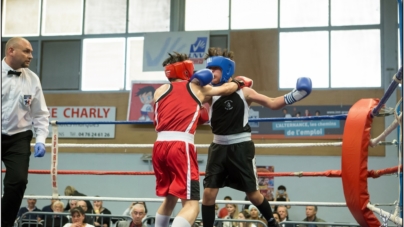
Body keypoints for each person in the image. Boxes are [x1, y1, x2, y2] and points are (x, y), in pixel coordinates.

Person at [201, 48, 312, 227]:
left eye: (216, 69)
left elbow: (273, 103)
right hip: (218, 147)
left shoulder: (244, 92)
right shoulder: (209, 93)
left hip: (241, 147)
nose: (211, 72)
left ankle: (271, 222)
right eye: (209, 68)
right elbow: (193, 99)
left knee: (253, 194)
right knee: (208, 194)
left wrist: (297, 94)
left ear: (226, 69)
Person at [152, 52, 243, 227]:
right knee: (192, 204)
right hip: (180, 147)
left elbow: (175, 109)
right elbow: (226, 90)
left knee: (170, 198)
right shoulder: (197, 89)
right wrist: (239, 82)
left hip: (159, 147)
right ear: (186, 70)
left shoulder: (159, 91)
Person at [1, 37, 50, 227]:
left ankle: (4, 223)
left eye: (31, 52)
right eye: (27, 51)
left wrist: (40, 139)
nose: (31, 55)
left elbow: (40, 113)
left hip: (18, 137)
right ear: (11, 51)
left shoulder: (32, 79)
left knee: (18, 182)